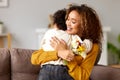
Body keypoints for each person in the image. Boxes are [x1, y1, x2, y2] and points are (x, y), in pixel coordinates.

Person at [31, 4, 103, 80]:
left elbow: (83, 76)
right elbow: (35, 58)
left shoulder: (92, 46)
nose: (67, 23)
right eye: (67, 19)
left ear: (85, 26)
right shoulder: (60, 37)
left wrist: (66, 54)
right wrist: (58, 53)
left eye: (73, 21)